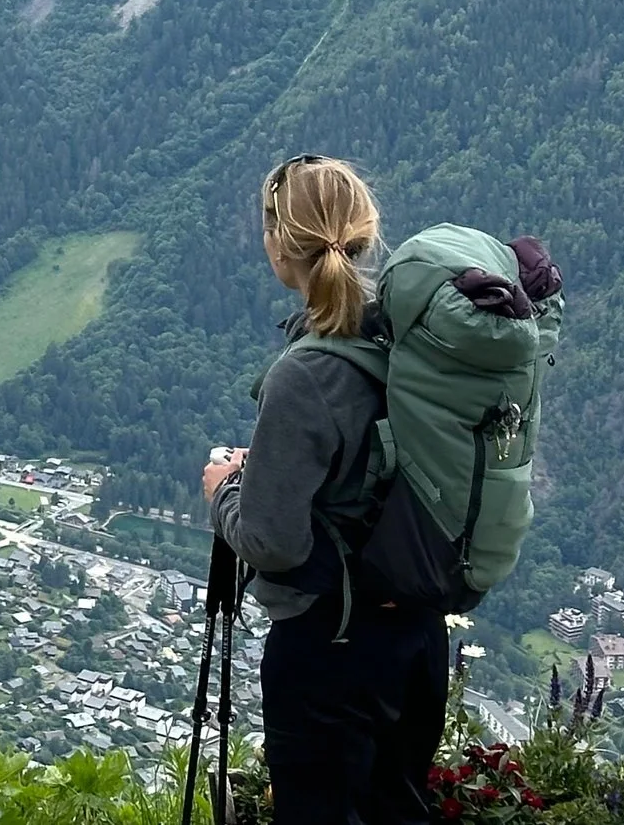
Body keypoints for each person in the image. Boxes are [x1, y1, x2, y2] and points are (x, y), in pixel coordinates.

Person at [202, 154, 447, 825]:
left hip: (329, 649)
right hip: (419, 638)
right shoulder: (413, 339)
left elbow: (273, 542)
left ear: (280, 243)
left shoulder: (304, 372)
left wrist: (225, 489)